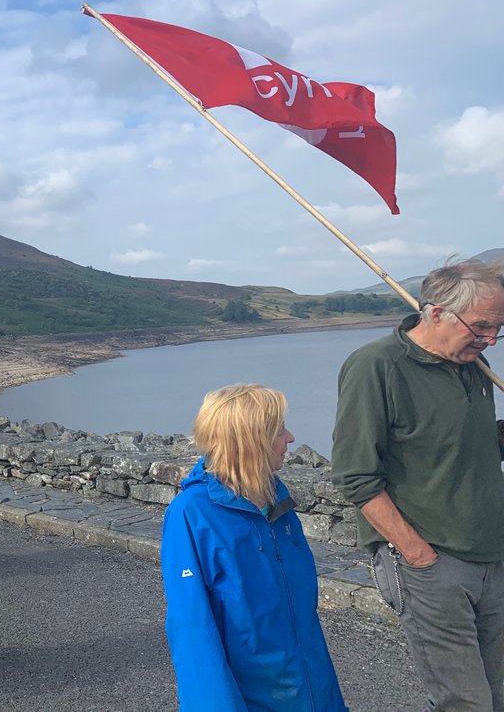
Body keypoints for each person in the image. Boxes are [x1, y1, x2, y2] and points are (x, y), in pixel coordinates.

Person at [332, 259, 504, 711]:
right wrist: (418, 555)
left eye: (498, 328)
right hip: (431, 562)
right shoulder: (375, 365)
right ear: (435, 313)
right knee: (464, 702)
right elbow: (355, 475)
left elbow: (473, 442)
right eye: (482, 326)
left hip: (491, 554)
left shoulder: (472, 363)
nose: (489, 339)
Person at [161, 385, 346, 711]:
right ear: (249, 440)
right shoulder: (192, 514)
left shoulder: (278, 503)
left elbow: (303, 623)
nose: (290, 438)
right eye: (279, 430)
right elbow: (194, 637)